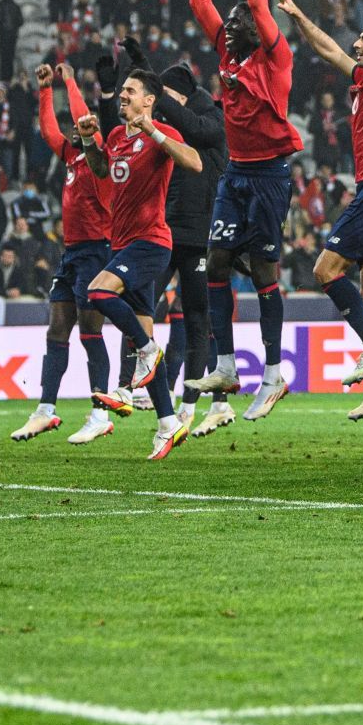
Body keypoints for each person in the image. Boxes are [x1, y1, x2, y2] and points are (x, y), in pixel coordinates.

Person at [268, 0, 363, 420]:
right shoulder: (361, 80)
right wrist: (295, 14)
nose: (356, 44)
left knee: (325, 270)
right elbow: (327, 46)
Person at [185, 0, 299, 422]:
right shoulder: (229, 54)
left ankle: (273, 374)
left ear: (259, 23)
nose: (228, 25)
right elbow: (198, 2)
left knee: (264, 271)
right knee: (218, 259)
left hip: (272, 174)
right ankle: (228, 366)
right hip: (237, 173)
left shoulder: (275, 55)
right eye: (228, 22)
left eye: (238, 20)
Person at [79, 70, 204, 460]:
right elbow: (103, 171)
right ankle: (168, 424)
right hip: (123, 244)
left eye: (130, 92)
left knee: (98, 292)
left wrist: (154, 131)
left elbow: (195, 163)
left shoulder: (158, 132)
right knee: (139, 333)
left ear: (149, 100)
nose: (122, 97)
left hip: (151, 242)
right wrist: (88, 140)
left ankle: (149, 351)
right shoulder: (117, 137)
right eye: (122, 92)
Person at [115, 40, 231, 437]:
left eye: (166, 98)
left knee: (198, 318)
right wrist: (140, 67)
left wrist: (156, 93)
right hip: (168, 229)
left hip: (200, 235)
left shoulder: (212, 118)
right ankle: (127, 385)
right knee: (139, 302)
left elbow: (189, 124)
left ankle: (189, 403)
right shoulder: (168, 127)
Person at [7, 63, 116, 445]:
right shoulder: (71, 158)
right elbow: (48, 129)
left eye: (82, 126)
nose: (74, 128)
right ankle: (45, 410)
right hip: (72, 253)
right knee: (57, 327)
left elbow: (80, 116)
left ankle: (100, 412)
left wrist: (69, 80)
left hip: (98, 252)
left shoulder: (102, 159)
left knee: (90, 330)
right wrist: (43, 89)